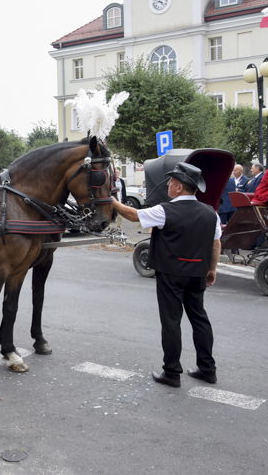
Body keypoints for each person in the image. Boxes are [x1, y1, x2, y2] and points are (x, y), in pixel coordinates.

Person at [112, 162, 220, 388]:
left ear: (179, 188)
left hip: (171, 273)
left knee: (171, 321)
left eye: (171, 182)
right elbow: (216, 243)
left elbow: (133, 215)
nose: (169, 185)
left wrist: (111, 201)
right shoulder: (211, 213)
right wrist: (212, 269)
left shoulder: (164, 210)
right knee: (199, 318)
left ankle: (172, 372)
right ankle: (208, 369)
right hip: (198, 272)